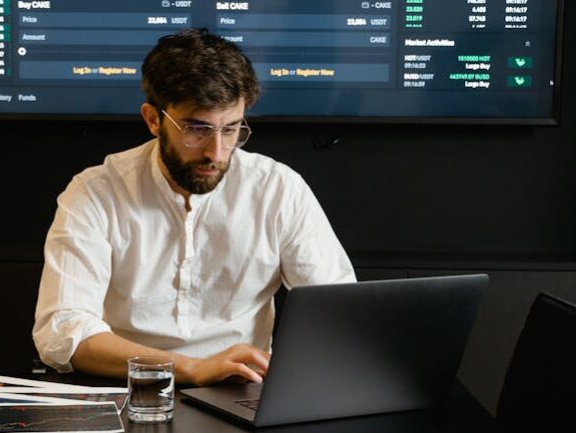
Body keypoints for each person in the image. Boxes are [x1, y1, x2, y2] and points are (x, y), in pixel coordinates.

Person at [33, 28, 355, 386]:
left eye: (231, 129)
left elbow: (339, 312)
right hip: (127, 388)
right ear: (153, 119)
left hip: (244, 389)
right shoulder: (95, 192)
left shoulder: (278, 188)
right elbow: (62, 333)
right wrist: (190, 368)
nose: (216, 153)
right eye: (197, 130)